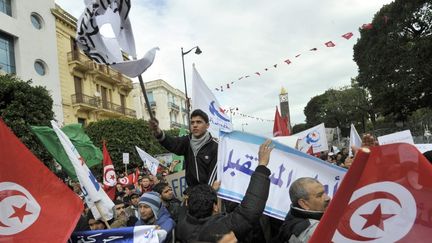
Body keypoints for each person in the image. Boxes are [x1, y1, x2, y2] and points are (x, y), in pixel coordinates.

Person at [175, 140, 274, 242]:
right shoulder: (219, 230)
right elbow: (250, 210)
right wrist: (262, 165)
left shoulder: (182, 225)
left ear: (188, 203)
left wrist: (211, 190)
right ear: (215, 207)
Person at [149, 109, 218, 187]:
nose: (195, 125)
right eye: (192, 122)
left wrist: (209, 193)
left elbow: (215, 175)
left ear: (207, 125)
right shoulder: (186, 141)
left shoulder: (215, 147)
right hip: (191, 192)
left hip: (208, 192)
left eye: (199, 122)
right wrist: (157, 130)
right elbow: (171, 143)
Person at [275, 177, 331, 243]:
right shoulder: (315, 230)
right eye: (319, 196)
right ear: (304, 203)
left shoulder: (294, 212)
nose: (327, 198)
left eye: (324, 193)